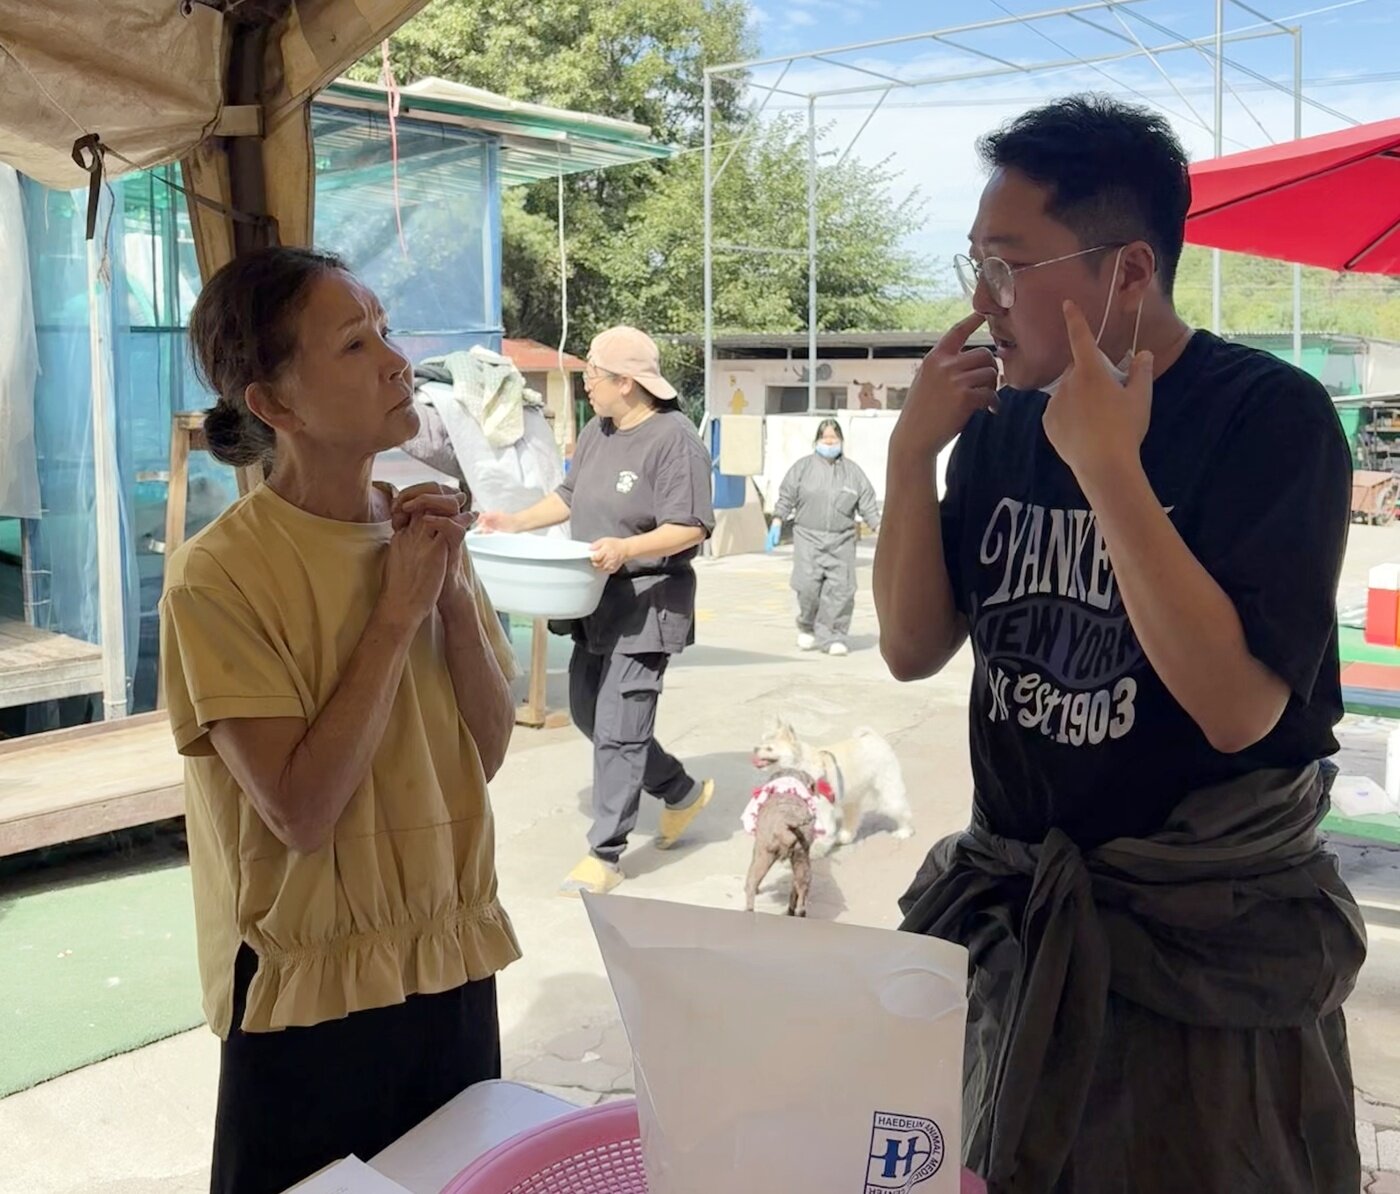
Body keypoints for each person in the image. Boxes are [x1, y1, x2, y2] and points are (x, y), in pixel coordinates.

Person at [873, 96, 1365, 1192]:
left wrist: (1108, 468)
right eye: (974, 264)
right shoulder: (1000, 420)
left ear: (1128, 270)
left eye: (1008, 266)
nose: (982, 300)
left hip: (1201, 940)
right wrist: (910, 456)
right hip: (1022, 911)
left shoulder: (1266, 416)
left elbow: (1237, 709)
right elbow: (911, 648)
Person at [160, 246, 521, 1194]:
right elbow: (302, 811)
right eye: (355, 344)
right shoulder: (220, 574)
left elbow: (485, 751)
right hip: (309, 992)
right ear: (273, 404)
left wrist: (446, 596)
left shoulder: (422, 531)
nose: (397, 362)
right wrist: (397, 614)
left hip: (448, 951)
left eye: (385, 333)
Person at [478, 326, 716, 896]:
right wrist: (513, 522)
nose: (586, 384)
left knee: (619, 727)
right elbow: (568, 496)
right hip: (593, 601)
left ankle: (605, 853)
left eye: (593, 375)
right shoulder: (597, 431)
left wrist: (628, 548)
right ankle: (680, 790)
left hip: (647, 604)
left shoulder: (674, 440)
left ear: (627, 383)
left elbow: (690, 527)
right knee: (589, 714)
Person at [767, 417, 880, 656]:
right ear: (817, 440)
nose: (829, 442)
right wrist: (777, 519)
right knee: (807, 586)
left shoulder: (853, 473)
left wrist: (879, 528)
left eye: (834, 438)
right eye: (825, 437)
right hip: (808, 537)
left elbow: (868, 504)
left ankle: (835, 635)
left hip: (842, 540)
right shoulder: (802, 468)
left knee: (841, 590)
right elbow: (787, 495)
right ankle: (807, 626)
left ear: (841, 441)